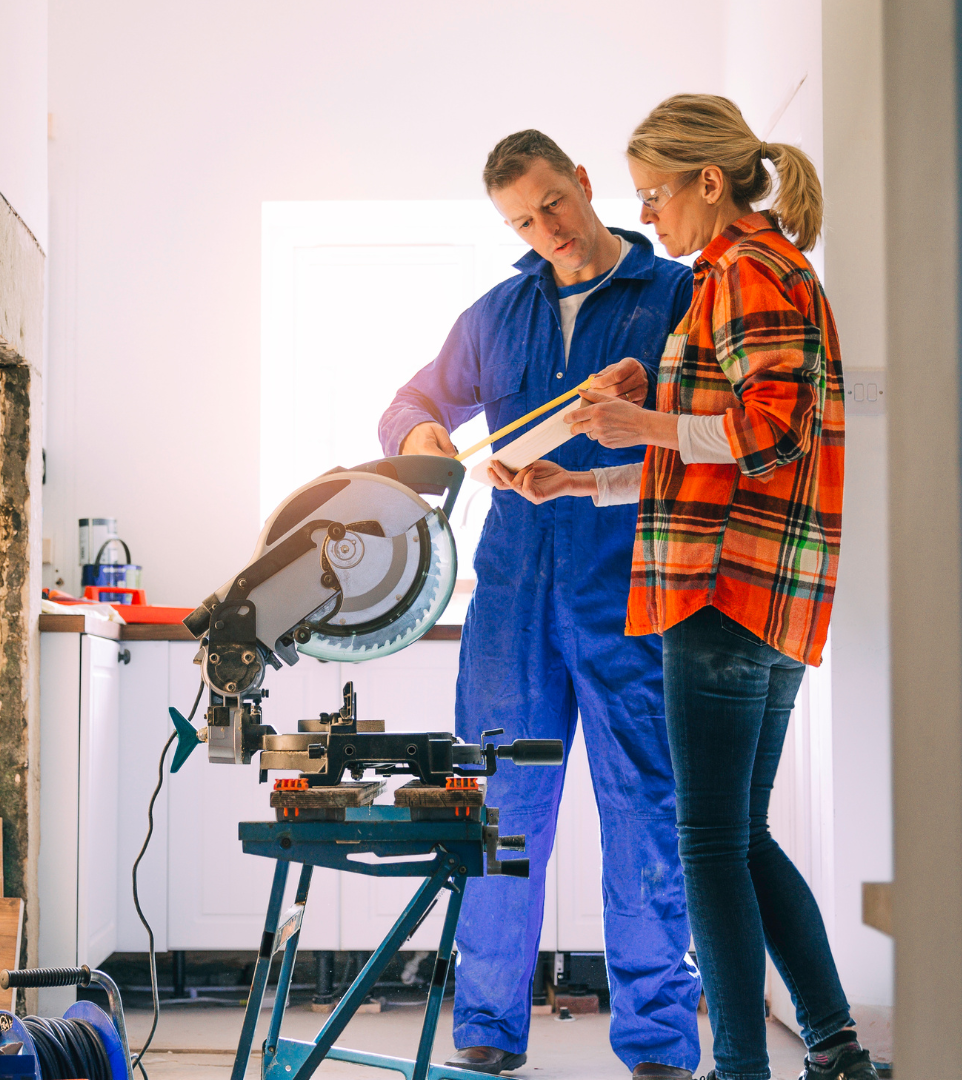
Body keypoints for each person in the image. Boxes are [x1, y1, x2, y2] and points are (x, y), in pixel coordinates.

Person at [498, 94, 878, 1080]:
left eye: (655, 197)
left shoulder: (750, 271)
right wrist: (584, 477)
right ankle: (834, 1047)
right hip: (761, 589)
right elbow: (705, 454)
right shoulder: (735, 277)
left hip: (721, 590)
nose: (651, 220)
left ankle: (742, 1068)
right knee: (738, 833)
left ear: (708, 183)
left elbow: (771, 432)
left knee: (706, 837)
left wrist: (649, 424)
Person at [379, 130, 702, 1080]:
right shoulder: (498, 312)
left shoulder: (676, 297)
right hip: (513, 592)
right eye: (522, 219)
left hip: (634, 588)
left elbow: (707, 440)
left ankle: (656, 1039)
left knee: (644, 805)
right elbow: (406, 402)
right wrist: (428, 427)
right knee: (498, 807)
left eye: (553, 203)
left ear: (585, 184)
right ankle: (486, 1025)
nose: (546, 228)